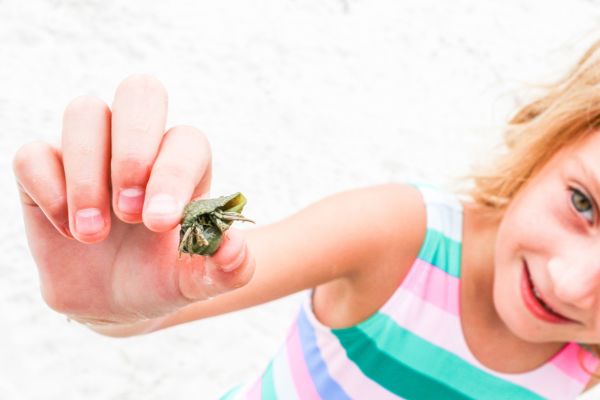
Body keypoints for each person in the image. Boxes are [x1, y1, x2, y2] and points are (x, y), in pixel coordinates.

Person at [12, 38, 600, 400]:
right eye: (583, 202)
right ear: (549, 135)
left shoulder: (588, 358)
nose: (570, 284)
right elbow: (156, 304)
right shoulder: (399, 234)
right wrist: (111, 300)